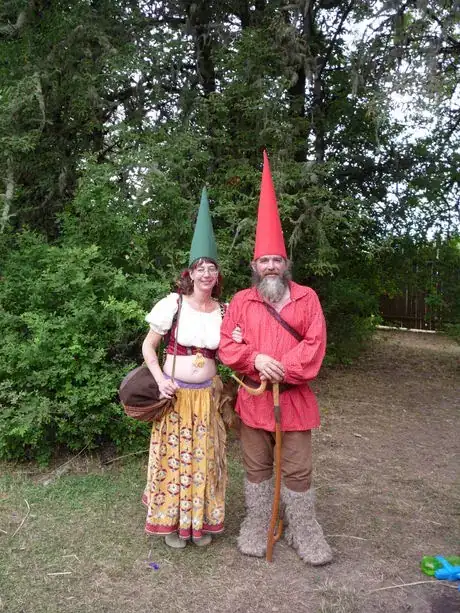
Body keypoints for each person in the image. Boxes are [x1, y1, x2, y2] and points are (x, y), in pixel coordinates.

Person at [219, 151, 333, 566]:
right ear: (254, 264)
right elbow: (227, 347)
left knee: (298, 469)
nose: (270, 266)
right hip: (253, 401)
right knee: (257, 467)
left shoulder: (307, 298)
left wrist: (279, 366)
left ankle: (304, 529)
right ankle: (260, 522)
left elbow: (314, 344)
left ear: (286, 264)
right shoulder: (241, 301)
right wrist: (256, 359)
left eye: (276, 260)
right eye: (263, 260)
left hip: (294, 401)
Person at [141, 187, 230, 549]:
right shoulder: (173, 304)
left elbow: (232, 350)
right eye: (200, 268)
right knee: (174, 460)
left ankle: (200, 522)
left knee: (204, 460)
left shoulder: (225, 311)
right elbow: (149, 346)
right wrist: (160, 380)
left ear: (217, 275)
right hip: (175, 395)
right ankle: (174, 524)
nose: (206, 273)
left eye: (212, 268)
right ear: (190, 274)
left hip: (207, 397)